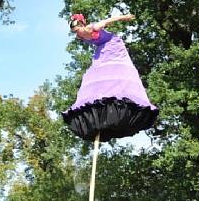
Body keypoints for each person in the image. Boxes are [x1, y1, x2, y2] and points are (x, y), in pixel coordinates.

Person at [62, 13, 158, 141]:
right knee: (102, 74)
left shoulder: (88, 30)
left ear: (80, 25)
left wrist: (124, 18)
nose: (76, 31)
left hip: (111, 47)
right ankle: (105, 100)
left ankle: (120, 94)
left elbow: (107, 23)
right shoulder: (85, 32)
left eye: (76, 28)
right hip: (105, 49)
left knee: (114, 72)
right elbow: (106, 24)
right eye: (74, 29)